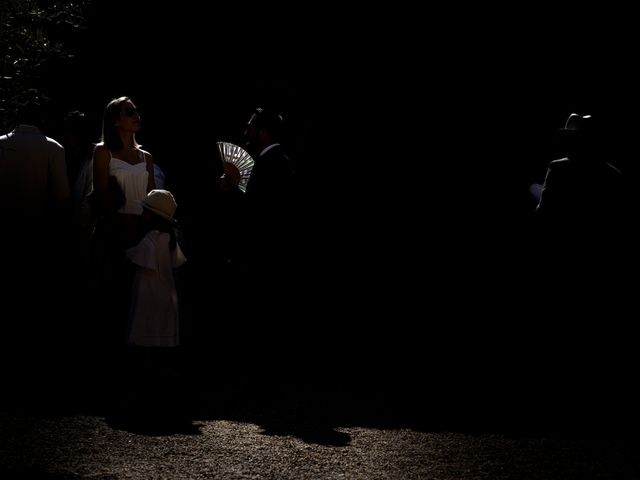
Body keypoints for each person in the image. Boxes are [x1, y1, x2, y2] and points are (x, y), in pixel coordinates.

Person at [89, 96, 156, 365]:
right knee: (113, 295)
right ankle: (111, 357)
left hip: (142, 231)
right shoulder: (102, 152)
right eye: (130, 112)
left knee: (139, 297)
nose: (136, 115)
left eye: (137, 110)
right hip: (115, 230)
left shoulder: (146, 156)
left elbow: (152, 196)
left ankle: (138, 355)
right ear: (116, 120)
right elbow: (101, 194)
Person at [125, 189, 186, 374]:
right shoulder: (171, 239)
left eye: (145, 211)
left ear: (152, 215)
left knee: (145, 336)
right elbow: (178, 266)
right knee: (162, 335)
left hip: (148, 297)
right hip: (167, 297)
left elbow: (132, 259)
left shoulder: (150, 240)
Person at [243, 107, 296, 290]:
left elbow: (265, 210)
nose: (246, 133)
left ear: (263, 133)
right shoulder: (273, 160)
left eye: (250, 129)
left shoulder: (274, 163)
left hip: (266, 256)